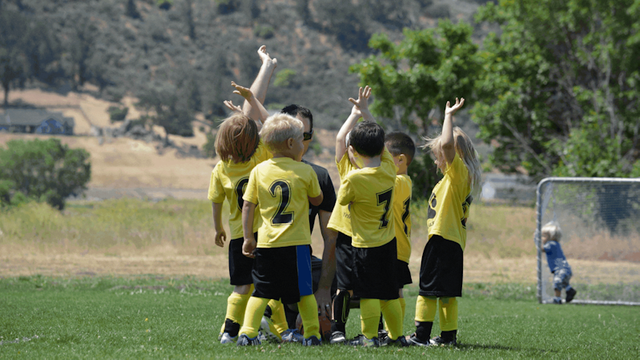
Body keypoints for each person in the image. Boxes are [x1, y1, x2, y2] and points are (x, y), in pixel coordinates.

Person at [237, 113, 324, 346]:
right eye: (301, 139)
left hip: (267, 244)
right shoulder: (305, 171)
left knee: (262, 292)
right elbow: (317, 200)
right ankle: (312, 334)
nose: (304, 144)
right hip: (297, 245)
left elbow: (248, 205)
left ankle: (247, 333)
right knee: (304, 292)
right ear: (291, 143)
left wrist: (247, 237)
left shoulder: (259, 171)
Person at [333, 86, 407, 347]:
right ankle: (397, 337)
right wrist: (366, 113)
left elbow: (342, 200)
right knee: (388, 293)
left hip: (365, 246)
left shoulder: (353, 178)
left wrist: (352, 158)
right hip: (388, 243)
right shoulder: (389, 169)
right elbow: (380, 141)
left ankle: (368, 338)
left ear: (353, 150)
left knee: (367, 295)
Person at [408, 98, 482, 347]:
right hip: (452, 243)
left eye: (439, 155)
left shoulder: (458, 173)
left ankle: (420, 337)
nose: (437, 160)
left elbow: (449, 143)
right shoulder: (452, 180)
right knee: (447, 294)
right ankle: (448, 338)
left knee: (427, 290)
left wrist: (447, 116)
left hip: (442, 241)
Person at [209, 81, 272, 344]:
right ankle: (258, 329)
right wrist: (254, 101)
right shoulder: (261, 156)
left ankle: (229, 331)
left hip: (237, 236)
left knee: (241, 286)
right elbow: (273, 127)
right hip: (264, 234)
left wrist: (217, 228)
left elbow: (216, 201)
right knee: (267, 286)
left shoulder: (221, 169)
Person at [278, 104, 338, 342]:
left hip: (300, 258)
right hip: (268, 258)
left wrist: (324, 289)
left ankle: (319, 320)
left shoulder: (319, 176)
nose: (301, 140)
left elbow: (330, 236)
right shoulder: (263, 169)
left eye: (307, 135)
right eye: (295, 132)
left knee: (333, 269)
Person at [378, 131, 416, 343]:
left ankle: (395, 334)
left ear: (400, 160)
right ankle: (394, 333)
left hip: (396, 248)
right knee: (393, 291)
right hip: (396, 247)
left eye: (384, 157)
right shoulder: (401, 180)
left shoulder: (400, 182)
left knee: (393, 293)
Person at [542, 221, 577, 304]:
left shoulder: (551, 244)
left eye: (543, 236)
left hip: (560, 269)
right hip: (564, 268)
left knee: (557, 283)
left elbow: (542, 249)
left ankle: (557, 299)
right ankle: (569, 290)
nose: (542, 238)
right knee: (563, 282)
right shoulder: (556, 244)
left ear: (551, 237)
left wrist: (536, 241)